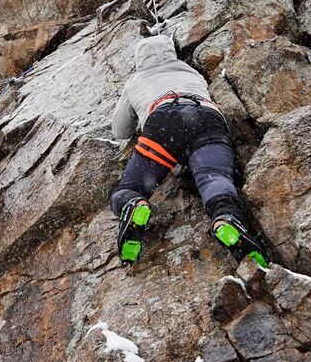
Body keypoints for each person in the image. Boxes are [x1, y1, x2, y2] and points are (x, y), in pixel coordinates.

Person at [109, 34, 266, 267]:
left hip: (164, 120)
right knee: (214, 178)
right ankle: (226, 218)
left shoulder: (136, 79)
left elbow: (120, 130)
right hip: (208, 118)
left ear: (139, 59)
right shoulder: (190, 71)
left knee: (128, 190)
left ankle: (135, 204)